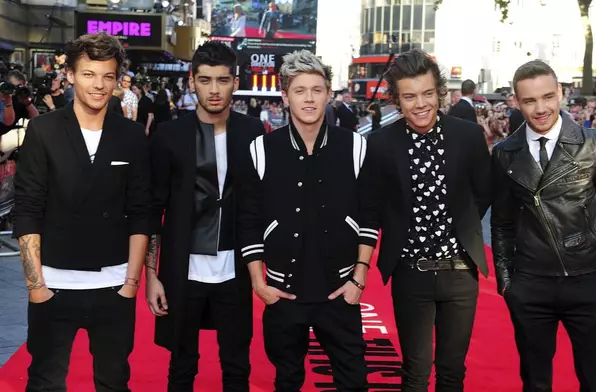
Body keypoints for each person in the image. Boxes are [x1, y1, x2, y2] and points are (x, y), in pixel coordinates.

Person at [12, 31, 150, 392]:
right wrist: (36, 286)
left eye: (107, 76)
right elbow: (27, 207)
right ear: (71, 76)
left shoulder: (132, 136)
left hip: (113, 284)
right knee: (44, 382)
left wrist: (131, 284)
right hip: (54, 284)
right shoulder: (43, 130)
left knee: (114, 382)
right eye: (89, 74)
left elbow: (141, 212)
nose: (99, 85)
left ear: (118, 80)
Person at [491, 60, 596, 392]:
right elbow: (502, 223)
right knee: (535, 383)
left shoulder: (593, 143)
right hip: (530, 286)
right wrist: (508, 283)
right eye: (529, 101)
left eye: (547, 97)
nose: (540, 109)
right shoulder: (505, 153)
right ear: (517, 101)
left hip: (587, 282)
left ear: (560, 93)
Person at [238, 50, 370, 391]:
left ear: (328, 93)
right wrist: (259, 284)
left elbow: (370, 215)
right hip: (282, 292)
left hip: (340, 291)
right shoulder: (261, 149)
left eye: (316, 89)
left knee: (354, 381)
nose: (309, 98)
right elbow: (248, 219)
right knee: (287, 380)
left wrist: (358, 279)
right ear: (285, 96)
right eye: (300, 90)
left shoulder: (355, 147)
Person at [360, 48, 491, 391]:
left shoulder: (468, 136)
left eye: (428, 93)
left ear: (439, 93)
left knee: (452, 372)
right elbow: (370, 207)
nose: (420, 104)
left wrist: (461, 226)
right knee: (415, 372)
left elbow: (484, 191)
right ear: (397, 101)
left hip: (461, 272)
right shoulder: (381, 144)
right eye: (410, 96)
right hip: (410, 272)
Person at [145, 41, 264, 392]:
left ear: (235, 82)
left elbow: (259, 204)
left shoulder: (253, 132)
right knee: (181, 367)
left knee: (237, 366)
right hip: (184, 270)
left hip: (235, 269)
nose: (214, 90)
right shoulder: (169, 136)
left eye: (222, 80)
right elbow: (154, 209)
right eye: (206, 80)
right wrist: (152, 276)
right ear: (191, 82)